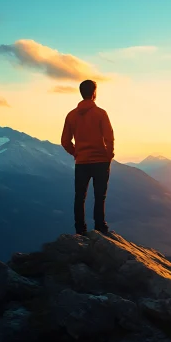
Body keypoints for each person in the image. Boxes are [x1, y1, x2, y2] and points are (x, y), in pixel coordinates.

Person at [61, 79, 115, 235]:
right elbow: (109, 137)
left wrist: (76, 152)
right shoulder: (100, 113)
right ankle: (100, 227)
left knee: (80, 196)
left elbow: (65, 141)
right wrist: (108, 154)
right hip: (100, 161)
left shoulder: (71, 115)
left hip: (82, 162)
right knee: (100, 196)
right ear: (94, 93)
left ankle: (80, 229)